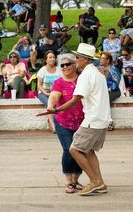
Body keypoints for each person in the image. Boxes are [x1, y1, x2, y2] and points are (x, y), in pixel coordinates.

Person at [37, 43, 112, 196]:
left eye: (77, 58)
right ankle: (100, 183)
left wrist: (56, 110)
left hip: (92, 119)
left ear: (85, 59)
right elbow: (55, 95)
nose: (76, 61)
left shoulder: (86, 75)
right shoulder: (98, 73)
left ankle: (94, 181)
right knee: (89, 151)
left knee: (74, 149)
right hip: (102, 119)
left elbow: (76, 99)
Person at [46, 53, 85, 194]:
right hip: (63, 122)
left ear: (75, 65)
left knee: (80, 150)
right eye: (62, 65)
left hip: (83, 122)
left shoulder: (82, 80)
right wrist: (50, 107)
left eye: (68, 64)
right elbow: (54, 96)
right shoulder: (59, 82)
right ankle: (68, 181)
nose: (64, 67)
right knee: (69, 150)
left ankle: (76, 180)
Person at [37, 50, 62, 132]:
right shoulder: (42, 70)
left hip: (56, 93)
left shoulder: (59, 69)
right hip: (44, 93)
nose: (52, 59)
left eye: (53, 57)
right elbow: (39, 85)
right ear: (46, 60)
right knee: (50, 103)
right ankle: (52, 123)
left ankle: (55, 122)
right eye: (50, 57)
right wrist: (45, 92)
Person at [98, 51, 121, 131]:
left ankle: (109, 121)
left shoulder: (113, 69)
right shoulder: (99, 68)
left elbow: (116, 82)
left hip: (114, 91)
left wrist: (109, 88)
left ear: (108, 60)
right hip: (103, 91)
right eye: (100, 58)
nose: (100, 60)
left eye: (103, 58)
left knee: (104, 100)